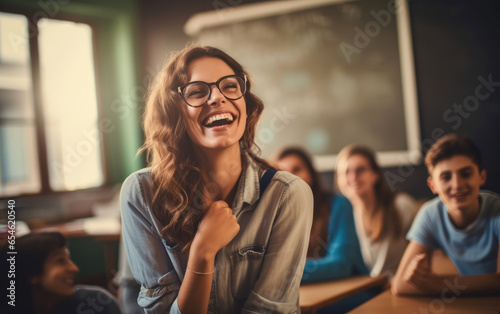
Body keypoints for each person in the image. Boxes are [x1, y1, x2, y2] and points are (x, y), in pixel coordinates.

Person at [120, 46, 313, 313]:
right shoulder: (142, 193)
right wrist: (202, 252)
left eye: (230, 86)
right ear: (174, 111)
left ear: (246, 103)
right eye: (198, 91)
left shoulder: (288, 194)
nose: (217, 98)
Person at [392, 134, 500, 296]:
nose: (457, 185)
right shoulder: (430, 214)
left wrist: (437, 285)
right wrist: (419, 277)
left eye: (466, 174)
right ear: (432, 185)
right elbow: (400, 285)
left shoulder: (497, 209)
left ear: (481, 177)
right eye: (446, 177)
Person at [275, 147, 368, 283]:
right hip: (310, 294)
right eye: (283, 173)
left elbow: (340, 265)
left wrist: (281, 274)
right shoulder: (278, 216)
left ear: (311, 174)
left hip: (352, 291)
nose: (291, 178)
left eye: (297, 169)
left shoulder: (338, 204)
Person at [336, 145, 419, 278]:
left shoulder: (401, 206)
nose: (353, 177)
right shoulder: (346, 216)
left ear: (375, 175)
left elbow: (422, 255)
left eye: (360, 170)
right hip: (368, 288)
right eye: (346, 172)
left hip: (402, 286)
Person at [0, 232, 121, 314]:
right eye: (60, 261)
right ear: (32, 273)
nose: (74, 268)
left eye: (69, 259)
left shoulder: (95, 303)